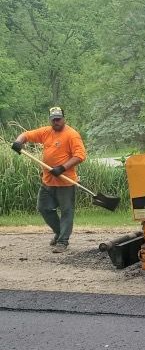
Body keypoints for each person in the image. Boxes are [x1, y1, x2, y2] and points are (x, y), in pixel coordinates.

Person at [11, 107, 87, 253]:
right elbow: (26, 135)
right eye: (53, 119)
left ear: (64, 118)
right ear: (50, 120)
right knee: (43, 208)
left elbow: (80, 155)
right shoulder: (46, 132)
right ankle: (59, 232)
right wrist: (18, 142)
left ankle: (63, 241)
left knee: (66, 211)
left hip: (66, 182)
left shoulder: (72, 135)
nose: (56, 121)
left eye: (58, 119)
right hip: (47, 181)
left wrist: (62, 168)